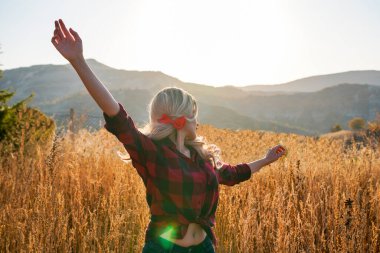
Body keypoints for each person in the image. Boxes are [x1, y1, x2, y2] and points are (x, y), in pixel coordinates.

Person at [51, 18, 287, 253]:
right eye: (194, 115)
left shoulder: (202, 157)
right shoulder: (151, 152)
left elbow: (234, 174)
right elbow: (117, 116)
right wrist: (78, 61)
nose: (198, 121)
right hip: (163, 248)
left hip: (204, 248)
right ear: (180, 119)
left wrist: (266, 160)